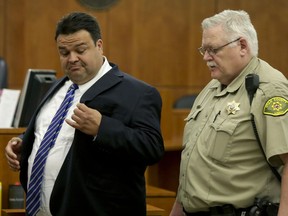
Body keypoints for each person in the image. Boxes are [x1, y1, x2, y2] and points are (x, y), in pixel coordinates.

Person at [5, 12, 164, 216]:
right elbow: (48, 131)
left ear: (99, 46)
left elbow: (152, 148)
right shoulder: (56, 86)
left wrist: (102, 128)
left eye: (80, 50)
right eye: (64, 52)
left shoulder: (138, 92)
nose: (72, 59)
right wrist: (22, 142)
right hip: (39, 210)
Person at [170, 9, 288, 216]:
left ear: (242, 46)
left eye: (213, 49)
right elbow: (193, 164)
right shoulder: (212, 87)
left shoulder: (269, 89)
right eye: (203, 50)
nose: (206, 57)